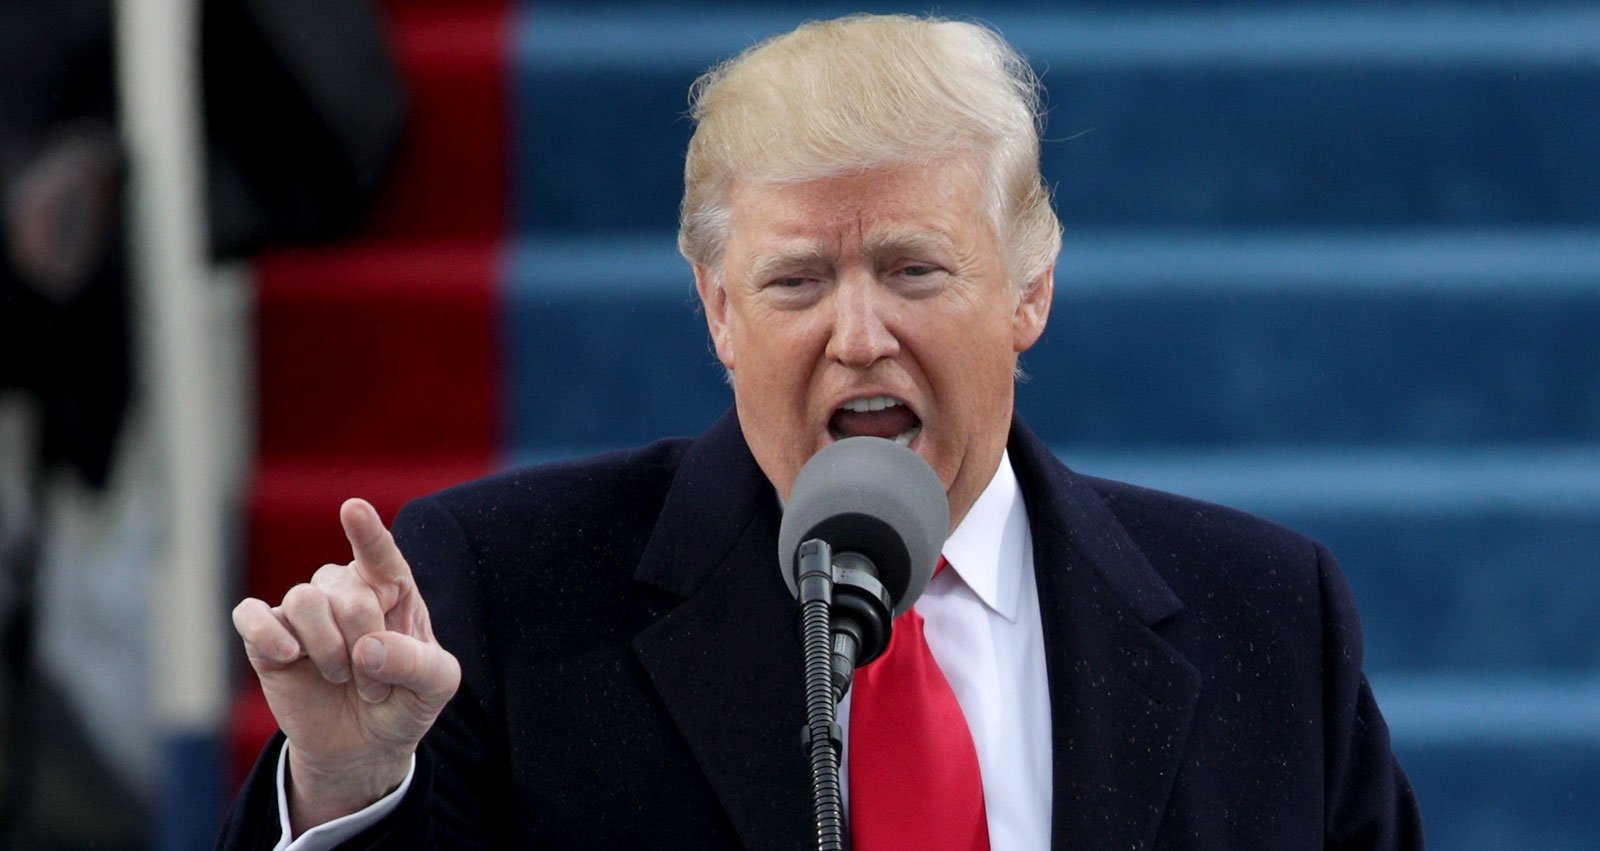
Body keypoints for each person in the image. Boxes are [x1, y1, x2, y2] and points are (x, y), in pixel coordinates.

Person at [220, 13, 1423, 850]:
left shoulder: (1264, 610)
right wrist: (345, 786)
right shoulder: (494, 590)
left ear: (1030, 290)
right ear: (718, 311)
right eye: (797, 281)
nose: (858, 335)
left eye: (913, 267)